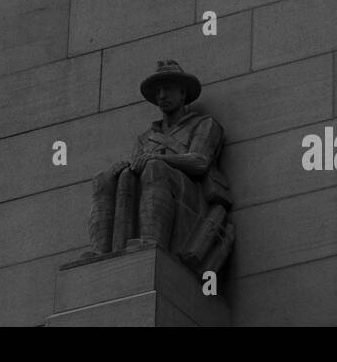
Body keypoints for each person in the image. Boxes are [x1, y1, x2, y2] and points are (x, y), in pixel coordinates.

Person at [85, 61, 235, 274]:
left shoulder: (204, 124)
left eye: (168, 89)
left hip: (190, 199)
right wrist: (124, 167)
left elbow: (199, 162)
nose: (162, 95)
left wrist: (157, 158)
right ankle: (101, 252)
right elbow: (136, 171)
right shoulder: (145, 138)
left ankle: (151, 241)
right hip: (154, 188)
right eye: (158, 91)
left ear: (182, 94)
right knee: (104, 178)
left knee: (155, 167)